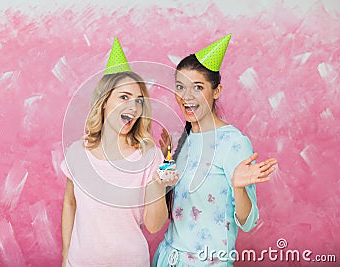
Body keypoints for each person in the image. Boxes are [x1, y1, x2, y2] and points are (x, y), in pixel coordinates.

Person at [153, 34, 278, 266]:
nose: (187, 96)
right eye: (181, 87)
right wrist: (166, 161)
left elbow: (249, 222)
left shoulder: (234, 143)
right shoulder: (184, 139)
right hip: (166, 259)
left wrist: (239, 188)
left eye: (197, 87)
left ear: (217, 91)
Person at [61, 37, 178, 267]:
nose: (132, 107)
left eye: (138, 101)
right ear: (105, 102)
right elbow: (69, 203)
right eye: (123, 97)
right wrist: (65, 255)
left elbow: (154, 226)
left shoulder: (149, 156)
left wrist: (158, 185)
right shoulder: (77, 153)